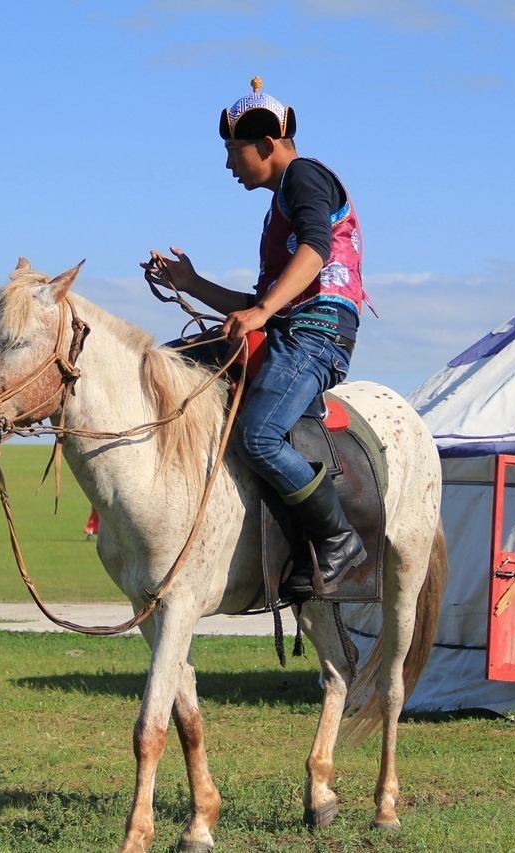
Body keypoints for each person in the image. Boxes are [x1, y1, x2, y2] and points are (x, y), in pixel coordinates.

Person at [141, 76, 368, 598]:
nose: (228, 164)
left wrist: (263, 310)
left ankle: (338, 538)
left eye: (232, 150)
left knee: (258, 436)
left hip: (318, 334)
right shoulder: (281, 199)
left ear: (266, 144)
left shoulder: (305, 176)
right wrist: (190, 283)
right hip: (286, 326)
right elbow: (256, 305)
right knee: (168, 366)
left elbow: (315, 249)